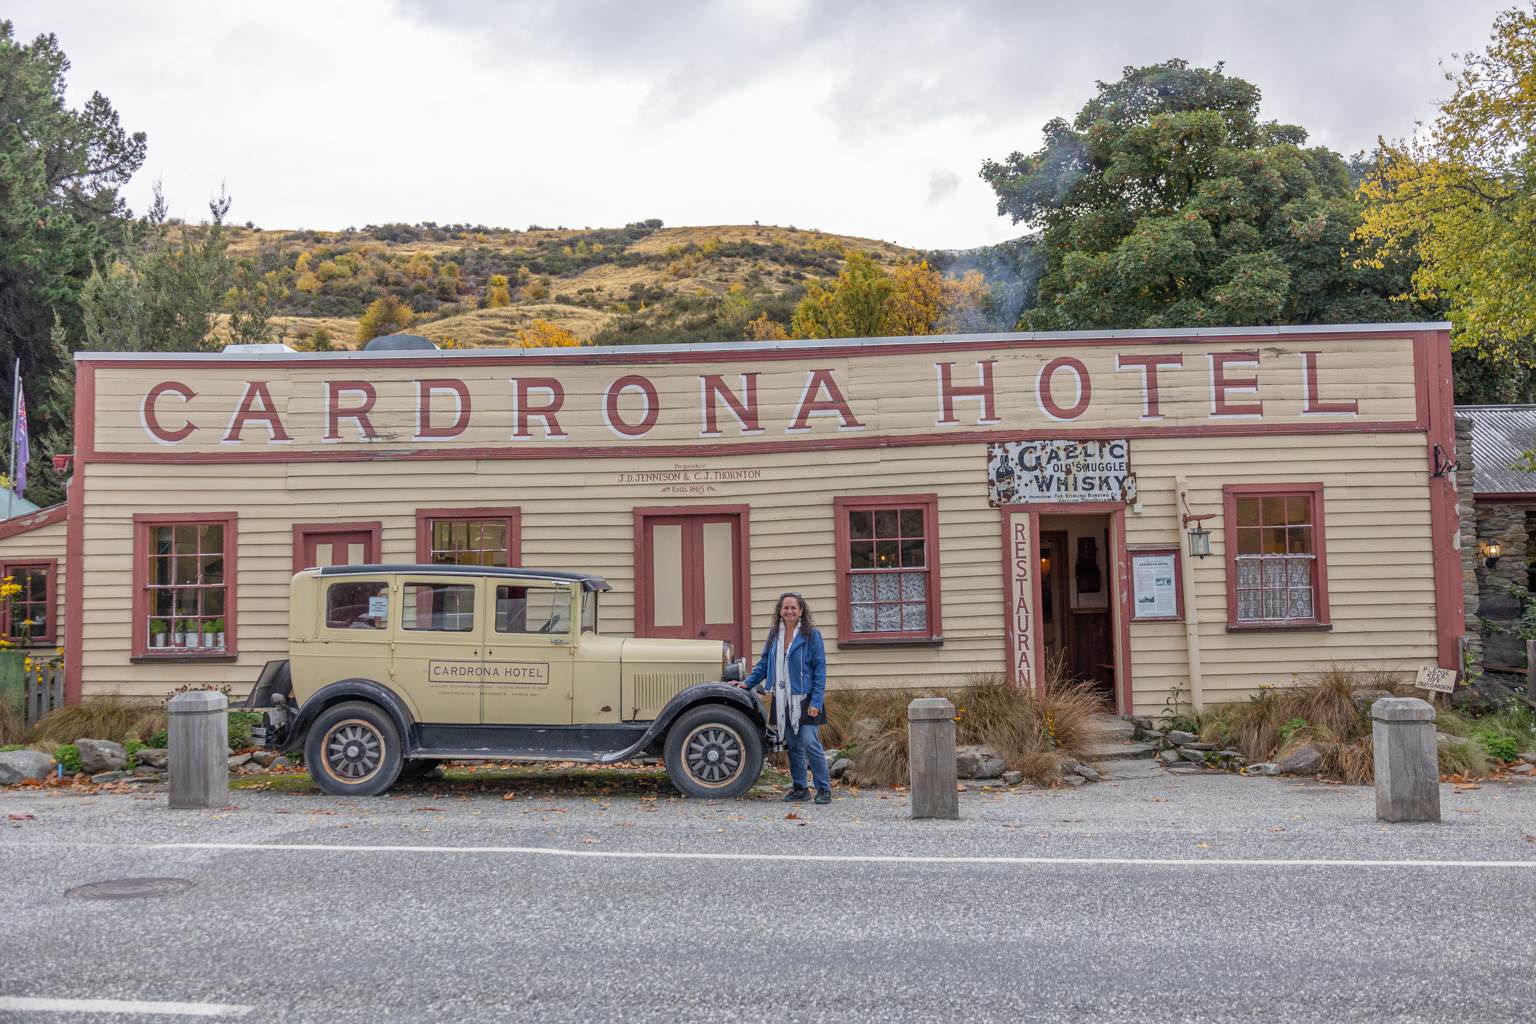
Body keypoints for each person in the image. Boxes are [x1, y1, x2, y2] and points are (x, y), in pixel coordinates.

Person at [740, 591, 830, 804]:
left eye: (793, 608)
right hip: (782, 699)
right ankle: (800, 788)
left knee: (810, 743)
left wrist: (817, 702)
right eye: (785, 608)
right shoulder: (774, 635)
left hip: (806, 698)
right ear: (780, 611)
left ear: (801, 611)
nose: (789, 611)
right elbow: (764, 664)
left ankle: (823, 789)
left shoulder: (812, 635)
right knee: (794, 746)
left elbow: (820, 670)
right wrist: (747, 683)